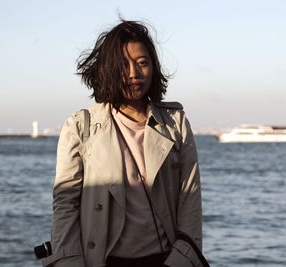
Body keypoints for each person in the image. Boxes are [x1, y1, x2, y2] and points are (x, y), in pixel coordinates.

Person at [44, 20, 203, 267]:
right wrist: (70, 262)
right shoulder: (79, 127)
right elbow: (66, 204)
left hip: (166, 261)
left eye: (142, 63)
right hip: (103, 260)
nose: (134, 74)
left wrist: (181, 260)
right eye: (123, 65)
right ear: (107, 69)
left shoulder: (175, 123)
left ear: (153, 67)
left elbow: (190, 199)